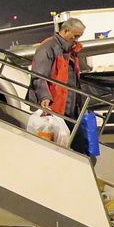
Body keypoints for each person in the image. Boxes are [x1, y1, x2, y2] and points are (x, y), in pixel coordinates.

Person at [28, 17, 90, 153]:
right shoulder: (48, 47)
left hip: (69, 107)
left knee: (79, 143)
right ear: (66, 31)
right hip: (55, 106)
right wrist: (45, 97)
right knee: (78, 144)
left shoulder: (70, 50)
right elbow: (39, 75)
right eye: (75, 36)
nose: (77, 40)